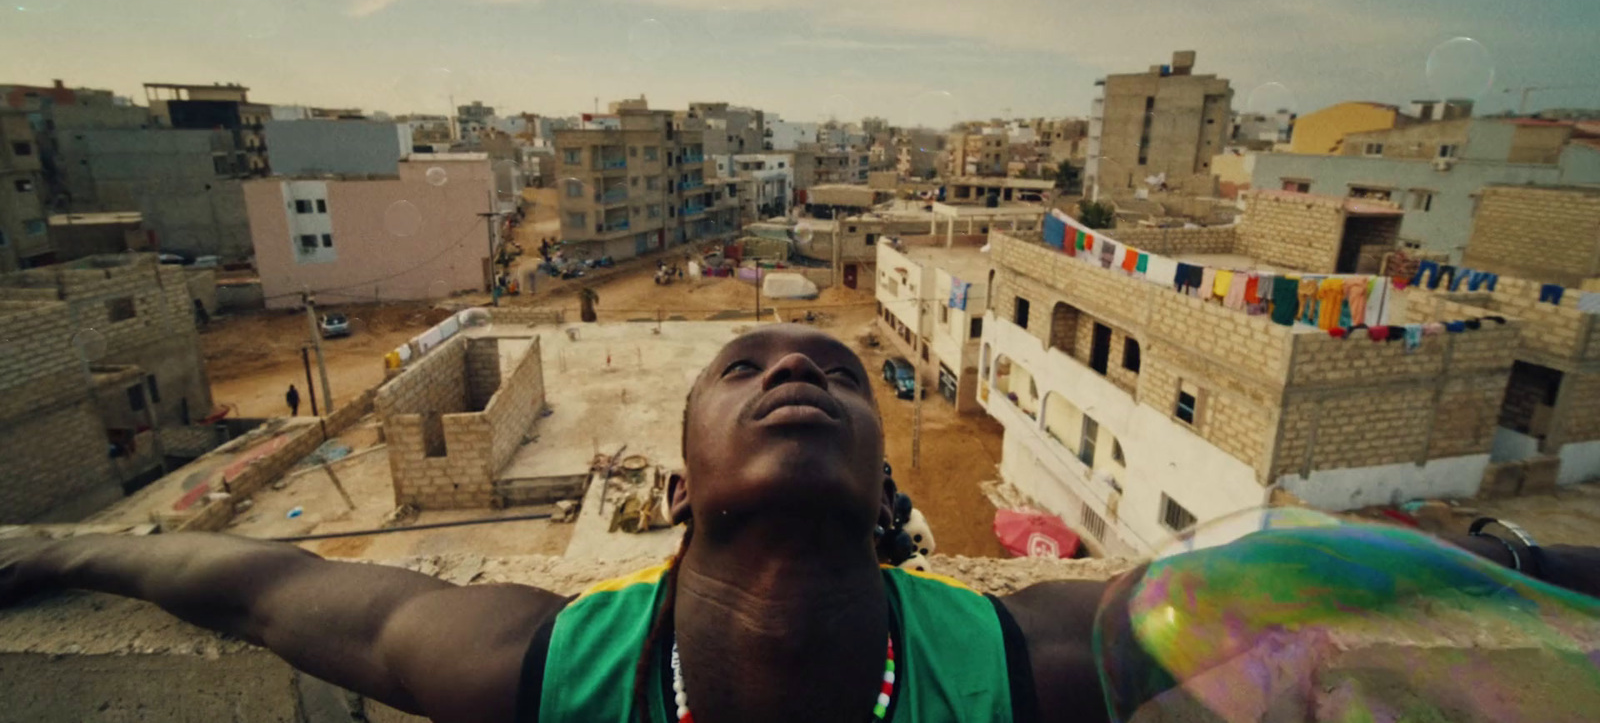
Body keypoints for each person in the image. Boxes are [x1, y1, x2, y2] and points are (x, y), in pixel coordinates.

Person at [2, 326, 1598, 723]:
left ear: (896, 497)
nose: (795, 373)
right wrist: (60, 547)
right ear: (678, 482)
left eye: (835, 369)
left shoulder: (1017, 663)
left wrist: (1543, 562)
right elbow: (264, 583)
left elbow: (1276, 581)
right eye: (747, 364)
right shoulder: (557, 669)